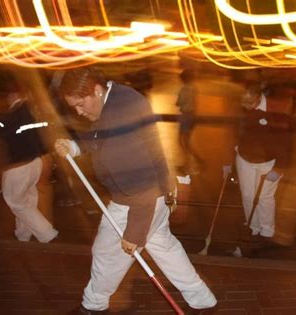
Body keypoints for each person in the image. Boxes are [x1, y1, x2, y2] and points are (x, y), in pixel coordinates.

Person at [54, 67, 217, 314]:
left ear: (97, 90)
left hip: (138, 200)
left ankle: (93, 306)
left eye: (80, 104)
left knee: (108, 253)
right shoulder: (116, 98)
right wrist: (75, 147)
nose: (79, 111)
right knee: (164, 248)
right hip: (152, 194)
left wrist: (135, 232)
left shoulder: (120, 116)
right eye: (73, 107)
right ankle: (203, 300)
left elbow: (142, 186)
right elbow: (99, 136)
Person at [0, 81, 58, 243]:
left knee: (16, 201)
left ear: (12, 95)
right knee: (28, 200)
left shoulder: (15, 113)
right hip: (35, 162)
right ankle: (23, 234)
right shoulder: (34, 111)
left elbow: (1, 131)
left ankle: (47, 233)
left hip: (18, 166)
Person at [235, 81, 292, 241]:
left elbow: (285, 141)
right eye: (243, 101)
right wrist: (229, 158)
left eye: (249, 102)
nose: (245, 106)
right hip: (245, 158)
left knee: (263, 197)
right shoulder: (244, 111)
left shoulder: (275, 111)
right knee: (247, 195)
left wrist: (280, 167)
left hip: (268, 162)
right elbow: (236, 133)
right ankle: (253, 227)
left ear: (259, 97)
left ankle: (267, 231)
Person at [176, 69, 203, 175]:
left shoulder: (184, 89)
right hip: (192, 115)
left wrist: (179, 102)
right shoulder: (194, 88)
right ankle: (193, 161)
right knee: (185, 142)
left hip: (185, 115)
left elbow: (179, 102)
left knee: (182, 142)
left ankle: (189, 164)